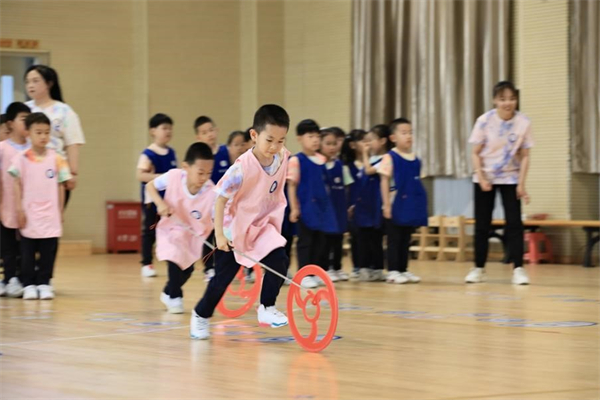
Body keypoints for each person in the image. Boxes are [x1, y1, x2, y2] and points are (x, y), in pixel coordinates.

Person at [190, 104, 291, 340]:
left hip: (261, 223)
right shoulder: (241, 168)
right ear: (254, 136)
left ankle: (266, 308)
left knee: (279, 259)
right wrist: (220, 235)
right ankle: (200, 314)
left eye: (281, 140)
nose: (275, 147)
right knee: (222, 280)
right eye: (269, 140)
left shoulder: (283, 156)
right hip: (233, 228)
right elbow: (219, 200)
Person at [465, 81, 533, 285]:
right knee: (482, 224)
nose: (507, 103)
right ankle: (478, 268)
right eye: (502, 99)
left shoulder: (523, 122)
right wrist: (482, 177)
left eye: (512, 98)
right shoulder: (484, 121)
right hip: (484, 176)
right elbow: (475, 153)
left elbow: (526, 156)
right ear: (495, 100)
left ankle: (518, 269)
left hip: (510, 176)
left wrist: (521, 184)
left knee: (514, 223)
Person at [146, 143, 216, 314]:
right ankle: (176, 295)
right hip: (171, 228)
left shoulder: (212, 192)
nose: (204, 177)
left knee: (187, 270)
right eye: (200, 172)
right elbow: (150, 186)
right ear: (186, 167)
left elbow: (219, 216)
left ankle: (168, 291)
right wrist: (160, 203)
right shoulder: (174, 177)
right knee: (174, 252)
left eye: (208, 173)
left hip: (194, 235)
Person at [9, 112, 72, 300]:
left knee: (48, 251)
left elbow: (61, 185)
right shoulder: (21, 158)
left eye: (46, 132)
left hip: (50, 214)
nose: (43, 136)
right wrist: (19, 209)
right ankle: (28, 284)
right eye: (39, 132)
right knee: (27, 252)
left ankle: (44, 282)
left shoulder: (57, 158)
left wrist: (60, 210)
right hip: (29, 213)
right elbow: (16, 184)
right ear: (28, 133)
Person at [24, 65, 85, 206]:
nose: (30, 85)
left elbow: (73, 143)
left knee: (52, 218)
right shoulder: (24, 109)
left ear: (49, 83)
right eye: (27, 81)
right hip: (27, 171)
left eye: (35, 81)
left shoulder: (64, 111)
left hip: (55, 172)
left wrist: (73, 173)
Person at [287, 119, 335, 289]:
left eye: (317, 136)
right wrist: (294, 208)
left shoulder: (322, 160)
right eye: (310, 136)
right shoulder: (296, 160)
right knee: (305, 242)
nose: (315, 140)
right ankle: (303, 274)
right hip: (305, 208)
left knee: (321, 242)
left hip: (321, 209)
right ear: (300, 138)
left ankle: (316, 272)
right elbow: (291, 186)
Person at [379, 118, 426, 284]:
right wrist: (386, 204)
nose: (408, 136)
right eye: (404, 133)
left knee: (406, 239)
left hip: (410, 205)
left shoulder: (416, 159)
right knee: (394, 239)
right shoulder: (389, 157)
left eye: (411, 132)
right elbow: (384, 181)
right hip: (395, 204)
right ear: (393, 137)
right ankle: (392, 271)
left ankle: (403, 269)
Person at [136, 113, 177, 277]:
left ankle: (172, 261)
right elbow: (140, 176)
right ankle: (146, 263)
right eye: (164, 128)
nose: (168, 131)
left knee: (170, 231)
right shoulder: (148, 154)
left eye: (170, 129)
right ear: (153, 131)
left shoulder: (172, 152)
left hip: (169, 200)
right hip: (152, 200)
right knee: (150, 231)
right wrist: (162, 177)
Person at [0, 103, 31, 297]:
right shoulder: (2, 148)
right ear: (10, 123)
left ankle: (23, 279)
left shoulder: (33, 148)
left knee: (26, 247)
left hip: (28, 206)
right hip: (6, 204)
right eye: (23, 118)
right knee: (8, 246)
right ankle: (9, 278)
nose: (27, 122)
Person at [355, 125, 391, 282]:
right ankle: (364, 268)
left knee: (376, 237)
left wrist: (364, 153)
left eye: (371, 141)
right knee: (364, 237)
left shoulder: (386, 159)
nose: (368, 144)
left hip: (377, 202)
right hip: (365, 203)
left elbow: (369, 170)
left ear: (382, 141)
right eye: (366, 142)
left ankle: (377, 268)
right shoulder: (370, 159)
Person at [320, 127, 353, 282]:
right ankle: (325, 268)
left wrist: (348, 206)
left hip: (339, 208)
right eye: (328, 143)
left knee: (338, 239)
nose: (332, 147)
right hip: (326, 210)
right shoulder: (318, 165)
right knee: (325, 241)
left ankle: (337, 267)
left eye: (334, 143)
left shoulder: (341, 165)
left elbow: (347, 186)